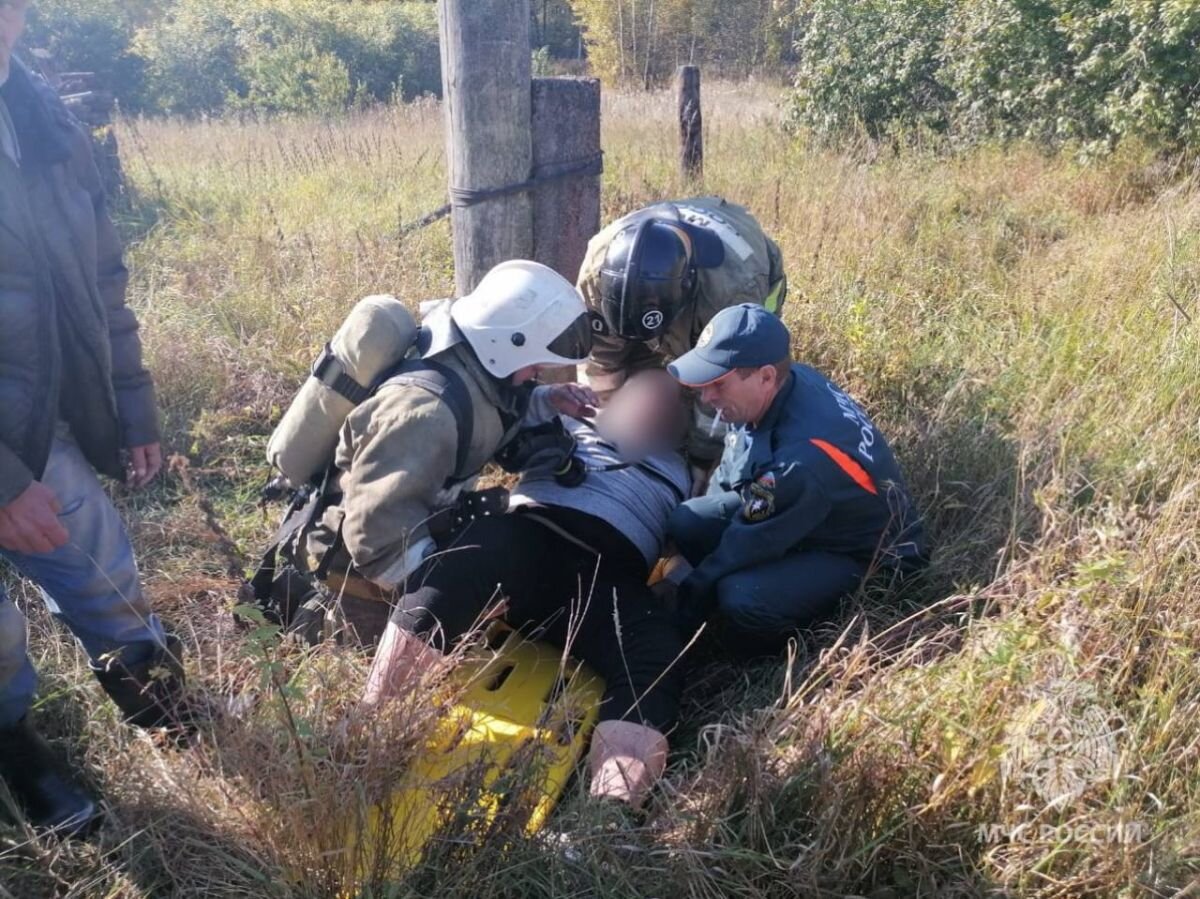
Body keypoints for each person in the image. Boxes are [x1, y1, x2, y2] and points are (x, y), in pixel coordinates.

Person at [1, 0, 178, 838]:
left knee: (102, 564)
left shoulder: (45, 123)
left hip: (39, 426)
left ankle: (155, 694)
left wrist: (130, 403)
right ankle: (14, 748)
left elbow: (101, 280)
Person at [360, 370, 692, 808]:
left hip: (610, 577)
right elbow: (504, 421)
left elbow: (698, 535)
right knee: (454, 569)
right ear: (616, 399)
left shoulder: (686, 472)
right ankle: (367, 730)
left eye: (670, 407)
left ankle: (610, 817)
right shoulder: (573, 422)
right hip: (527, 536)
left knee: (658, 658)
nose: (656, 408)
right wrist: (548, 399)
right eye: (646, 394)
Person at [278, 260, 596, 645]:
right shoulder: (424, 416)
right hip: (358, 575)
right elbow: (375, 536)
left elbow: (487, 412)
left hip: (413, 527)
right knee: (407, 679)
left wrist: (547, 400)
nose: (539, 372)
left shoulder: (473, 361)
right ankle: (308, 625)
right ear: (505, 343)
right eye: (535, 366)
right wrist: (451, 590)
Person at [663, 304, 928, 654]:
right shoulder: (782, 383)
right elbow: (736, 461)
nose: (706, 397)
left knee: (741, 597)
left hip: (865, 555)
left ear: (766, 376)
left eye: (719, 384)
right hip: (810, 510)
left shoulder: (798, 461)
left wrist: (687, 603)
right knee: (690, 519)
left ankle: (754, 652)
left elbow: (749, 539)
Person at [577, 197, 786, 467]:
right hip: (646, 283)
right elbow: (600, 359)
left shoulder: (732, 295)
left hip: (749, 270)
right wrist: (606, 415)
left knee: (739, 381)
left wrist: (702, 459)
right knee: (628, 376)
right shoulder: (595, 273)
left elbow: (723, 387)